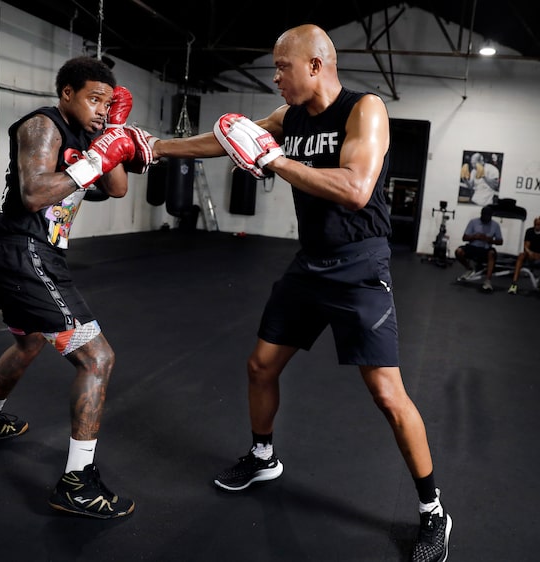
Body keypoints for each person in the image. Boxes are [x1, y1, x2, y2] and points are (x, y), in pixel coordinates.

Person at [126, 23, 451, 562]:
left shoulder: (363, 109)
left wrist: (274, 161)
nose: (275, 77)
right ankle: (263, 456)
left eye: (283, 68)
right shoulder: (289, 118)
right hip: (309, 265)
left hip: (359, 265)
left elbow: (355, 189)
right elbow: (230, 142)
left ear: (317, 66)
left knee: (388, 396)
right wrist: (157, 148)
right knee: (260, 366)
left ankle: (432, 510)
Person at [0, 56, 141, 519]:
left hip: (31, 256)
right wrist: (96, 157)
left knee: (27, 343)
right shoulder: (42, 126)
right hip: (25, 254)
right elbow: (35, 193)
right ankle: (77, 483)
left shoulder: (87, 136)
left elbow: (118, 188)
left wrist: (110, 137)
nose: (102, 107)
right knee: (97, 357)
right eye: (93, 99)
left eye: (108, 101)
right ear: (67, 93)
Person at [454, 205, 503, 292]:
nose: (486, 218)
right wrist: (474, 236)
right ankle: (469, 269)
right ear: (481, 214)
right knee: (458, 251)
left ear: (491, 216)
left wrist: (489, 240)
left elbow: (500, 241)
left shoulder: (495, 225)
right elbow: (464, 238)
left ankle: (488, 281)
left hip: (485, 248)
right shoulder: (473, 222)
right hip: (473, 246)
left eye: (488, 216)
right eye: (484, 215)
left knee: (491, 254)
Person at [507, 216, 540, 295]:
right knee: (521, 255)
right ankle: (514, 284)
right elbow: (526, 247)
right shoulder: (529, 231)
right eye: (536, 225)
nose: (537, 227)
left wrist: (539, 255)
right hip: (531, 255)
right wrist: (530, 254)